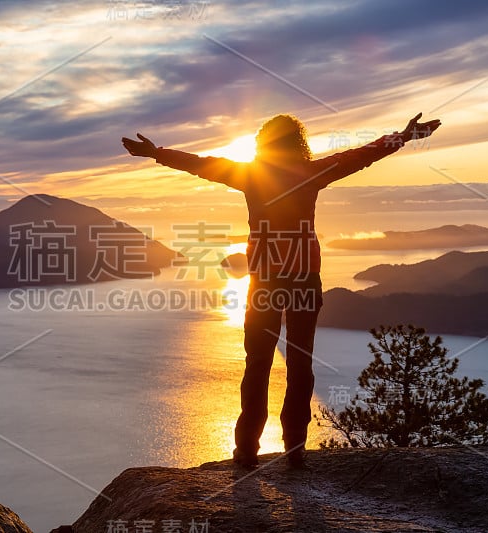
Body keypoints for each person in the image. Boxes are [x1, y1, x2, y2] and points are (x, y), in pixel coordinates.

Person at [121, 113, 441, 468]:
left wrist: (156, 153)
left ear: (263, 144)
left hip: (266, 282)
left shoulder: (251, 177)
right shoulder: (311, 173)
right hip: (304, 277)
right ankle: (295, 449)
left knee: (257, 365)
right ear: (298, 143)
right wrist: (406, 136)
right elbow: (362, 155)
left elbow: (200, 165)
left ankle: (246, 451)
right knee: (300, 364)